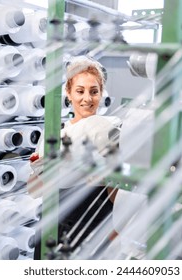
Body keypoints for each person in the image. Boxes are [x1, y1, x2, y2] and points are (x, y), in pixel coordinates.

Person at [28, 56, 120, 259]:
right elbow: (33, 191)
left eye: (94, 91)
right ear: (68, 93)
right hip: (53, 226)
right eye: (80, 91)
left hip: (94, 224)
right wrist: (40, 170)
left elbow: (117, 191)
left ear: (101, 93)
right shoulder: (54, 132)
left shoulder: (109, 131)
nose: (87, 99)